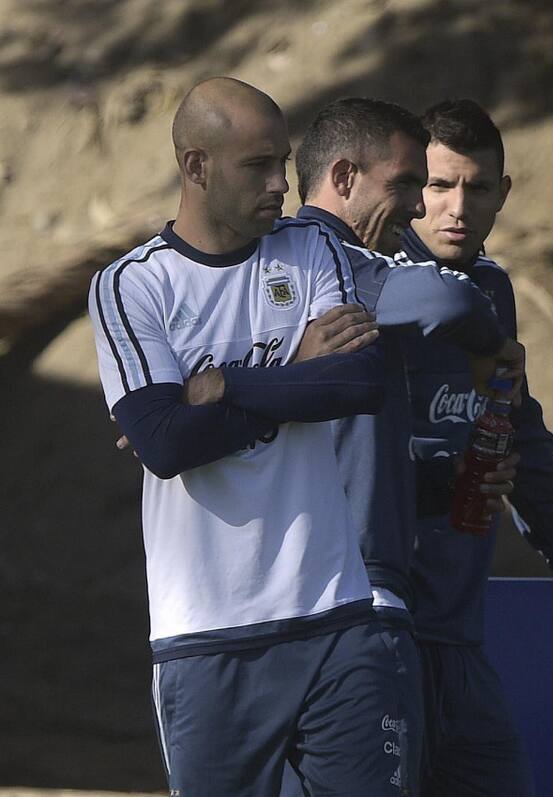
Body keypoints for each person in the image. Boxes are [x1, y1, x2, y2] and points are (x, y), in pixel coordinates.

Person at [88, 77, 411, 795]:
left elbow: (360, 385)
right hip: (207, 636)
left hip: (336, 615)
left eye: (284, 165)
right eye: (257, 167)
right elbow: (166, 445)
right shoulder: (133, 286)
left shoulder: (310, 249)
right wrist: (296, 370)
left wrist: (227, 385)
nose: (280, 186)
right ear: (196, 167)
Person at [277, 96, 526, 795]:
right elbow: (449, 305)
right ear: (346, 175)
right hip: (345, 608)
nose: (423, 209)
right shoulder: (318, 257)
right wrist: (491, 342)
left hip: (424, 620)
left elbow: (363, 455)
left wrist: (450, 483)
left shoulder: (391, 274)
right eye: (412, 185)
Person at [399, 98, 553, 796]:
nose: (457, 207)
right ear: (413, 187)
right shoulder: (365, 282)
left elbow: (518, 430)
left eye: (477, 187)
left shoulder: (492, 289)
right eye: (440, 186)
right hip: (374, 632)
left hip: (458, 631)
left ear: (505, 192)